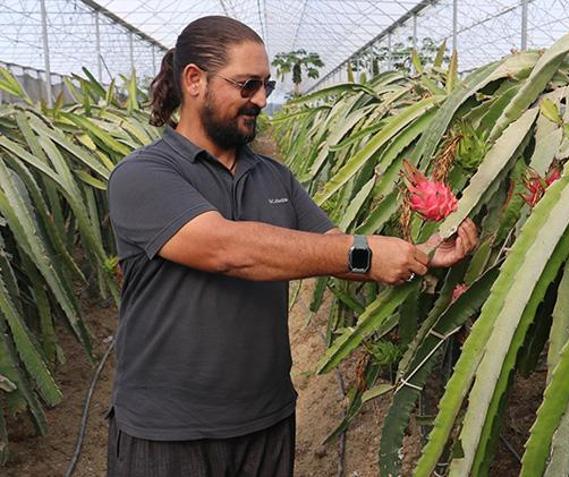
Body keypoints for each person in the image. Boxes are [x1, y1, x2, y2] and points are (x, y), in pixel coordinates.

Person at [105, 15, 478, 477]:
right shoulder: (143, 174)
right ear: (194, 80)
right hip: (169, 430)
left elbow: (329, 247)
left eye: (266, 84)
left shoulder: (273, 176)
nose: (261, 99)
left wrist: (422, 252)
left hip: (267, 421)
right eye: (247, 85)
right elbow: (226, 250)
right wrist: (363, 252)